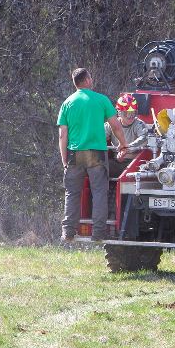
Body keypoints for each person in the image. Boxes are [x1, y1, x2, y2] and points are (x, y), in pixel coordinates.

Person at [57, 68, 128, 242]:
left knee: (72, 193)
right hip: (96, 154)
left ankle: (68, 232)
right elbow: (116, 126)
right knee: (99, 193)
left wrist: (64, 159)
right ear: (88, 80)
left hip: (75, 153)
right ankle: (98, 233)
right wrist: (123, 144)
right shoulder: (101, 100)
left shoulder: (67, 103)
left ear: (75, 83)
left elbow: (62, 135)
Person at [105, 93, 149, 177]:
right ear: (119, 113)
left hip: (134, 163)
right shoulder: (112, 124)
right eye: (127, 113)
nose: (130, 116)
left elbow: (144, 138)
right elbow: (99, 136)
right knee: (99, 167)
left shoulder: (139, 124)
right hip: (115, 162)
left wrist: (127, 149)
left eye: (133, 113)